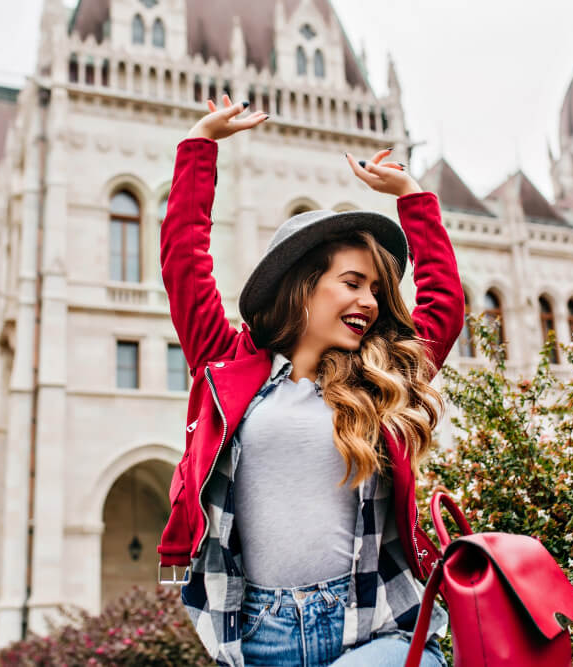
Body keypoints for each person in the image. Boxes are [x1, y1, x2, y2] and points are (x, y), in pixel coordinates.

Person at [157, 95, 465, 666]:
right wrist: (201, 145)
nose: (369, 301)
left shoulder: (379, 377)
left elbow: (445, 307)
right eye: (352, 282)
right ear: (302, 287)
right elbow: (184, 262)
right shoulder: (227, 365)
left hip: (373, 624)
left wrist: (412, 200)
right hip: (260, 635)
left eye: (376, 288)